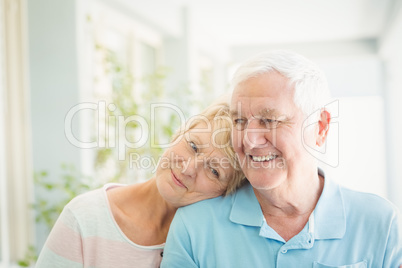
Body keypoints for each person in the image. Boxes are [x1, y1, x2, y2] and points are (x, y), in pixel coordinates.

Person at [161, 51, 402, 268]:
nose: (250, 140)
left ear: (320, 128)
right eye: (240, 121)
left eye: (270, 120)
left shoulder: (380, 222)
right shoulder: (195, 226)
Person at [35, 101, 245, 268]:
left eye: (214, 170)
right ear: (178, 134)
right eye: (192, 146)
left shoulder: (209, 243)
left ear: (226, 191)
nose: (189, 169)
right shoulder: (85, 218)